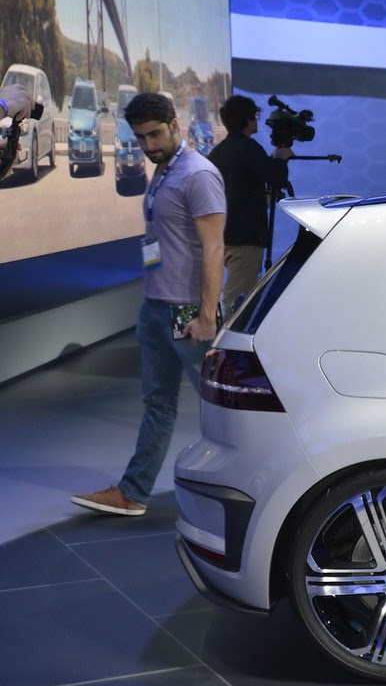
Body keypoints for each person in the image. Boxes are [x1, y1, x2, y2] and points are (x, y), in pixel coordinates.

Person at [71, 92, 226, 516]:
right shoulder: (163, 170)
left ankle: (253, 487)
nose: (148, 145)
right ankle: (133, 492)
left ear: (175, 125)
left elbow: (214, 248)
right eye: (140, 137)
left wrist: (207, 315)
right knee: (158, 404)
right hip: (155, 306)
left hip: (187, 311)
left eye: (155, 135)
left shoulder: (199, 174)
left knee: (223, 409)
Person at [211, 95, 292, 313]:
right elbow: (275, 177)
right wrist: (281, 158)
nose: (256, 121)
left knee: (238, 296)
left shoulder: (217, 152)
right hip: (246, 239)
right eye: (254, 116)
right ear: (247, 119)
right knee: (237, 304)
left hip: (222, 236)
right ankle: (228, 334)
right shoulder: (249, 148)